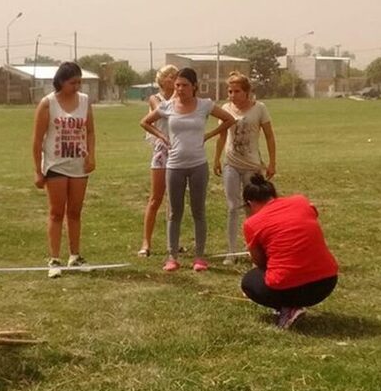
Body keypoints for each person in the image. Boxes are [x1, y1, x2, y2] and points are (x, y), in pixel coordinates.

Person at [140, 67, 236, 272]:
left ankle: (199, 257)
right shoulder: (167, 106)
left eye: (184, 85)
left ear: (194, 87)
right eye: (177, 85)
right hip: (174, 166)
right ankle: (172, 256)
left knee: (198, 210)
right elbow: (145, 122)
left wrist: (209, 135)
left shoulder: (204, 105)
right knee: (174, 212)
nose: (180, 89)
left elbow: (230, 119)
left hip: (198, 165)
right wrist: (162, 137)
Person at [240, 175, 338, 329]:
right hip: (327, 281)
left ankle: (288, 308)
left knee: (249, 282)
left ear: (250, 203)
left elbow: (260, 263)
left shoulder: (252, 223)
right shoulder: (301, 201)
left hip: (293, 286)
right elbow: (312, 215)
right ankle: (291, 305)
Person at [32, 62, 96, 278]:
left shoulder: (85, 102)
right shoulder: (48, 103)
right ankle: (54, 259)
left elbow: (91, 131)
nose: (77, 86)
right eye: (72, 82)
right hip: (55, 165)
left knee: (75, 212)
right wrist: (37, 170)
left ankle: (75, 256)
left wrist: (91, 155)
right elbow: (37, 139)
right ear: (61, 81)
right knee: (56, 212)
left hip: (78, 165)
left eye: (79, 82)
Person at [214, 71, 277, 265]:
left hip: (252, 165)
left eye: (237, 91)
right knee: (233, 207)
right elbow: (222, 136)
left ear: (247, 92)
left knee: (253, 208)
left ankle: (254, 249)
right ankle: (231, 252)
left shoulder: (259, 108)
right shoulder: (225, 108)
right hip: (231, 163)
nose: (232, 95)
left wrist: (272, 162)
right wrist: (216, 158)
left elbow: (269, 136)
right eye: (230, 91)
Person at [138, 64, 178, 258]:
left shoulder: (182, 97)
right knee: (155, 198)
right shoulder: (156, 98)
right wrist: (161, 136)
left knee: (175, 200)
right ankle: (146, 242)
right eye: (171, 76)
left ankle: (173, 241)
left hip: (179, 150)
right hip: (161, 151)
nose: (175, 79)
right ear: (162, 80)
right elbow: (161, 111)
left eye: (176, 76)